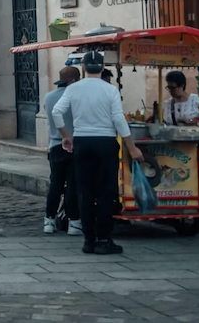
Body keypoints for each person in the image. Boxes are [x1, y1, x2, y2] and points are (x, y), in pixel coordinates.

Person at [52, 50, 142, 256]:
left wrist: (66, 135)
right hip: (105, 142)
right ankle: (104, 238)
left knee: (85, 192)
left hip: (82, 142)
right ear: (102, 68)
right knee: (105, 192)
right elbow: (118, 119)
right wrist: (131, 146)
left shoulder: (73, 89)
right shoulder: (110, 90)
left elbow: (57, 112)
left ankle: (89, 240)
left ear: (83, 67)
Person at [42, 66, 82, 237]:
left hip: (55, 145)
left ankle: (49, 220)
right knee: (73, 185)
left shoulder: (49, 97)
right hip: (74, 144)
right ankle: (74, 222)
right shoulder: (77, 97)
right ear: (74, 79)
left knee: (56, 185)